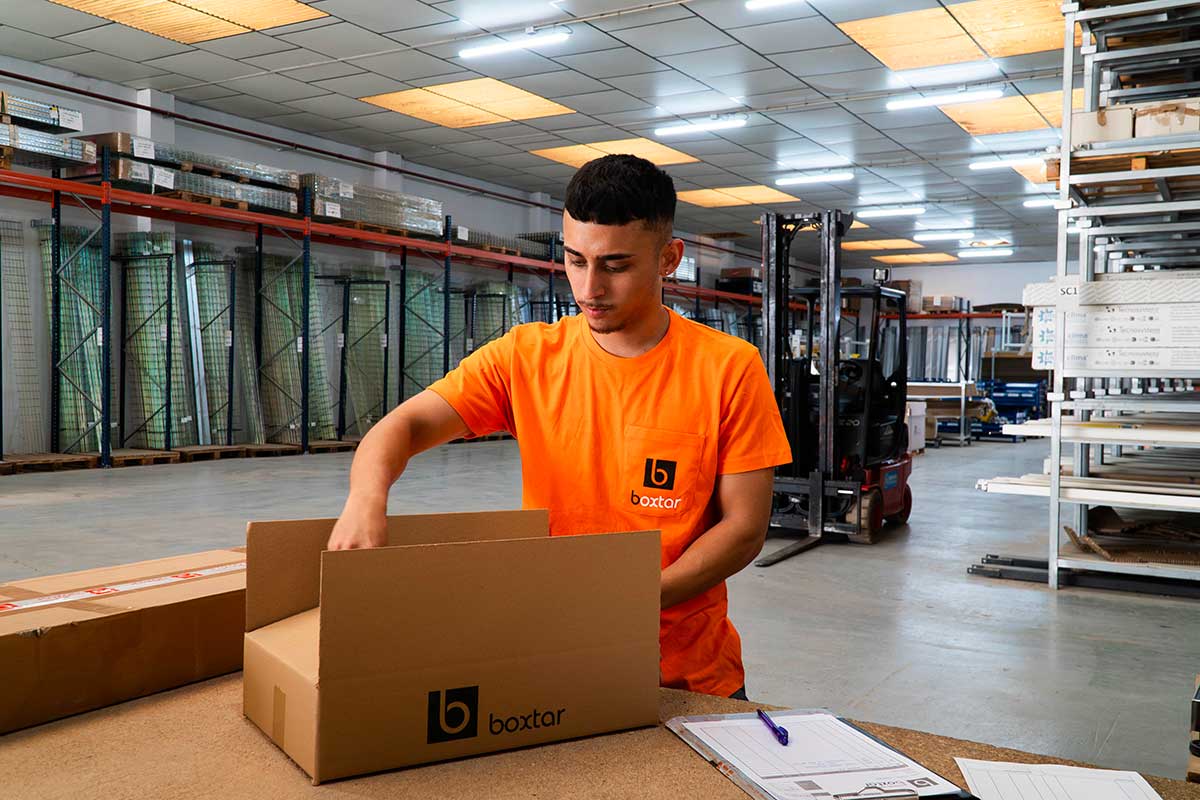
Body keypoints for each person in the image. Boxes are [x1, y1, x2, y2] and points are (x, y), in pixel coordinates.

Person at [328, 154, 792, 699]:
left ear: (669, 258)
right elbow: (403, 427)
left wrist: (632, 599)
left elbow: (743, 529)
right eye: (575, 260)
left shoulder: (727, 368)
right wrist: (365, 499)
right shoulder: (527, 358)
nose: (589, 287)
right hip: (555, 658)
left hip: (684, 674)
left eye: (615, 266)